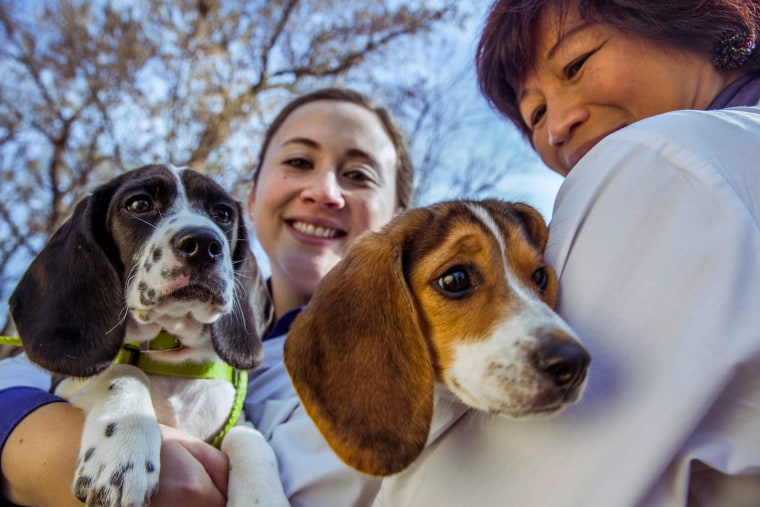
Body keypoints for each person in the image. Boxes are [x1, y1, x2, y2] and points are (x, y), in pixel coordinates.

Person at [369, 1, 760, 506]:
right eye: (535, 114)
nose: (555, 128)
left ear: (688, 19)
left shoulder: (661, 159)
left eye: (576, 64)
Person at [0, 87, 414, 506]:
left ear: (401, 216)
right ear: (253, 201)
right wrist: (113, 398)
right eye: (298, 162)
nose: (324, 192)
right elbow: (16, 386)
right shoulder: (63, 357)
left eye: (359, 174)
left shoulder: (419, 351)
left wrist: (245, 453)